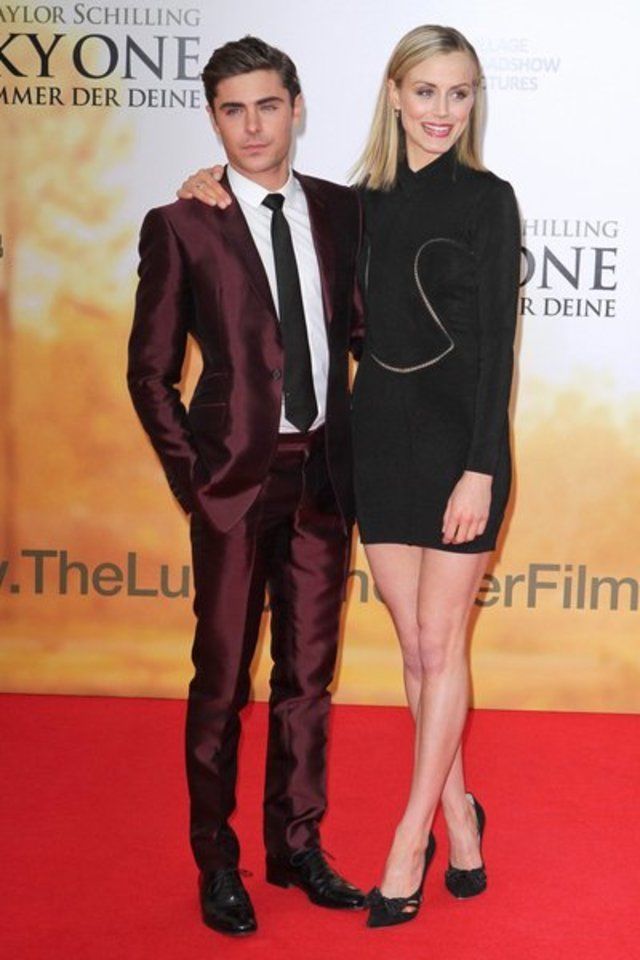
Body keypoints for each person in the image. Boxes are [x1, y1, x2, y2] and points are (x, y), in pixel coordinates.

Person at [178, 24, 520, 930]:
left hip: (462, 453)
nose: (442, 110)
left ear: (474, 100)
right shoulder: (352, 205)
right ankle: (460, 812)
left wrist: (482, 467)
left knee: (442, 647)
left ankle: (412, 837)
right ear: (394, 95)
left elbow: (498, 352)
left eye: (459, 92)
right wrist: (206, 183)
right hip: (376, 446)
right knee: (416, 653)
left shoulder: (490, 201)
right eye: (426, 91)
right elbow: (264, 210)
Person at [127, 36, 366, 938]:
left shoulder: (343, 211)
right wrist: (198, 482)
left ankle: (296, 847)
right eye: (233, 110)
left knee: (308, 678)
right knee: (223, 681)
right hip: (234, 484)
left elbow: (363, 332)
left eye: (268, 105)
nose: (253, 126)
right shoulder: (182, 223)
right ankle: (217, 861)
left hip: (323, 480)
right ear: (213, 118)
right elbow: (149, 373)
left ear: (296, 108)